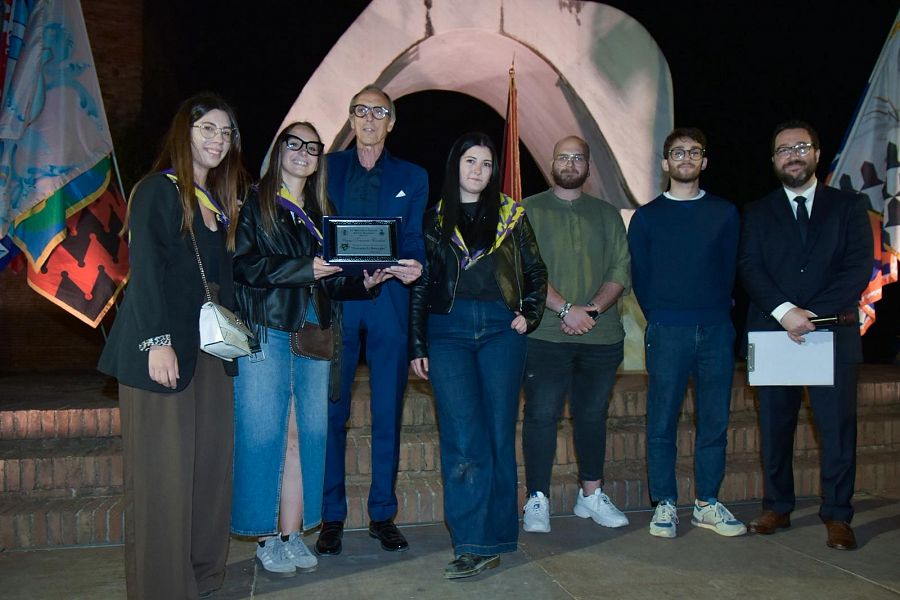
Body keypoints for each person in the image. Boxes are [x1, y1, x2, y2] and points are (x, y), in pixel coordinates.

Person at [98, 93, 248, 599]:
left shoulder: (216, 202)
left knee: (208, 468)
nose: (218, 140)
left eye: (226, 133)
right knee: (164, 476)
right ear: (184, 133)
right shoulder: (157, 191)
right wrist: (157, 343)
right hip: (162, 348)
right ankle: (162, 587)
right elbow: (144, 274)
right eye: (208, 129)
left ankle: (202, 575)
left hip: (210, 351)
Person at [230, 122, 389, 575]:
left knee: (305, 436)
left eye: (312, 147)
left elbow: (329, 281)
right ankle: (265, 537)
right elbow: (243, 266)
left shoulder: (324, 212)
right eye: (294, 144)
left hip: (315, 332)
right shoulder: (256, 202)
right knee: (265, 434)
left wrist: (363, 284)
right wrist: (303, 268)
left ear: (320, 158)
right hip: (267, 328)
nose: (303, 152)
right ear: (279, 150)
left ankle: (292, 534)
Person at [410, 132, 548, 579]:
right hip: (447, 332)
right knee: (462, 437)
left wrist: (530, 313)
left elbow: (535, 269)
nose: (478, 170)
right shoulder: (434, 219)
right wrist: (417, 344)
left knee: (498, 433)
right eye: (471, 161)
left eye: (486, 164)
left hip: (500, 330)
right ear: (456, 164)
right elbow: (422, 284)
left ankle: (498, 536)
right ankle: (471, 542)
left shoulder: (511, 215)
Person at [739, 120, 872, 550]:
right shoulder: (757, 211)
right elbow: (749, 267)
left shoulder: (849, 206)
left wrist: (813, 314)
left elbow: (858, 266)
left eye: (800, 147)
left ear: (816, 153)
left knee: (837, 430)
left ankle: (838, 514)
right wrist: (786, 312)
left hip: (831, 334)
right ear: (773, 160)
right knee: (775, 428)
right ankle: (777, 506)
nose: (792, 155)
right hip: (774, 333)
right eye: (783, 150)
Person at [317, 85, 427, 556]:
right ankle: (331, 516)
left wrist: (417, 266)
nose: (368, 119)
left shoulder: (413, 176)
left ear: (391, 122)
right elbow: (313, 228)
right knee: (332, 413)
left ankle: (382, 514)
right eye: (360, 110)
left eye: (378, 112)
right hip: (340, 300)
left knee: (387, 412)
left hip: (389, 301)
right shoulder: (325, 168)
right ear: (350, 118)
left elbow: (414, 237)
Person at [628, 127, 745, 539]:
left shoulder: (724, 213)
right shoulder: (647, 217)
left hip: (716, 329)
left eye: (694, 152)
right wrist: (663, 316)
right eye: (678, 152)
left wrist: (711, 312)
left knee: (714, 421)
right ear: (666, 162)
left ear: (704, 161)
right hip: (667, 330)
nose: (686, 158)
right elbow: (640, 278)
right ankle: (664, 502)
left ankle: (706, 503)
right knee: (662, 421)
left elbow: (729, 270)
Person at [520, 135, 631, 534]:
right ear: (552, 162)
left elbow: (620, 269)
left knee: (592, 415)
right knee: (541, 414)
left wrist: (592, 311)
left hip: (601, 337)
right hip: (544, 335)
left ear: (587, 166)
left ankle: (591, 496)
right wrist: (566, 309)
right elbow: (524, 270)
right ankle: (537, 498)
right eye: (563, 157)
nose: (570, 164)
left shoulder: (607, 214)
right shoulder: (527, 210)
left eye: (577, 158)